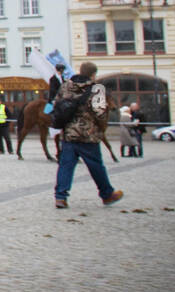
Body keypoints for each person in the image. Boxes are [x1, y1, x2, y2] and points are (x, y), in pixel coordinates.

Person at [53, 61, 124, 209]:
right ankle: (107, 194)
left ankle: (60, 197)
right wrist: (101, 129)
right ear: (93, 74)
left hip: (69, 134)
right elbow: (101, 113)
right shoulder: (97, 89)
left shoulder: (66, 86)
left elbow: (57, 105)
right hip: (88, 134)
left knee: (66, 166)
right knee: (96, 166)